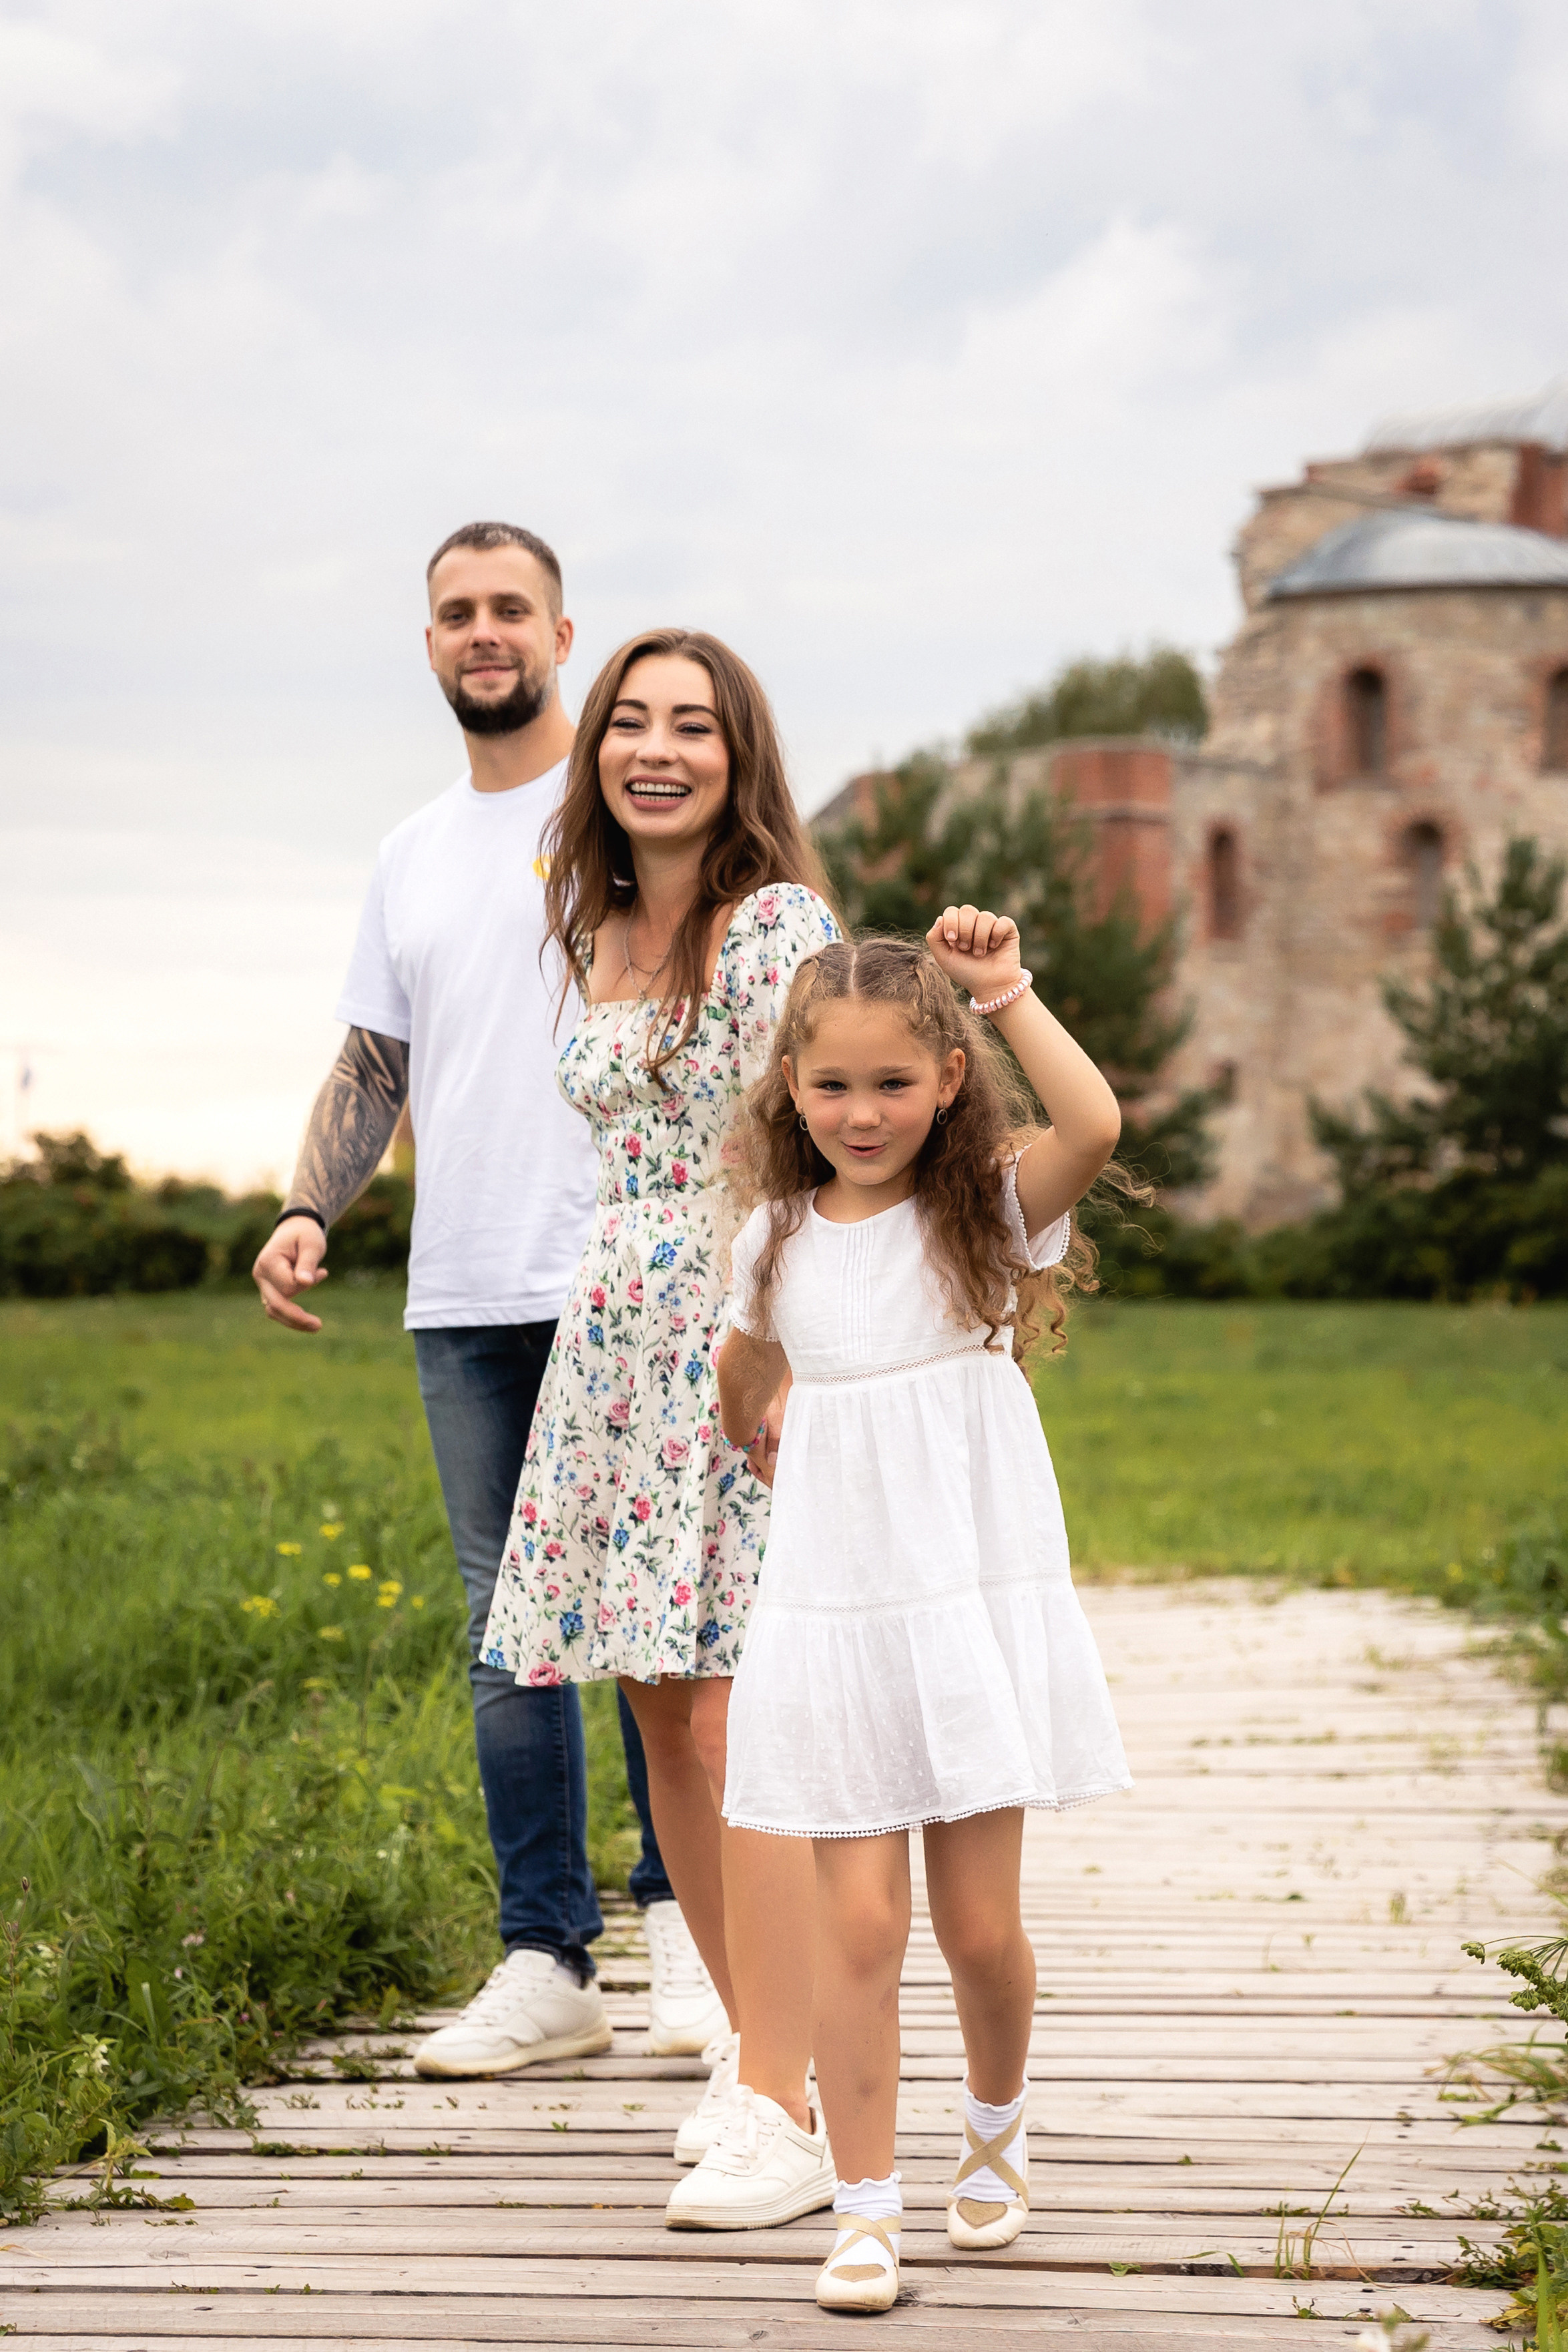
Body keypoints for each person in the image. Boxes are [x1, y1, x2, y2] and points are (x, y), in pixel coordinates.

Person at [250, 523, 724, 2080]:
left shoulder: (626, 822)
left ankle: (693, 1948)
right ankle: (545, 1958)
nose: (481, 631)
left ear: (562, 631)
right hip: (461, 1287)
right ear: (432, 640)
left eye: (507, 605)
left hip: (635, 1280)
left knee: (662, 1614)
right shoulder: (409, 853)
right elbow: (378, 1062)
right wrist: (311, 1205)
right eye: (454, 611)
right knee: (502, 1634)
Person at [716, 911, 1133, 2315]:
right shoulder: (774, 1235)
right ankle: (865, 2205)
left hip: (959, 1597)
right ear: (792, 1085)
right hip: (833, 1601)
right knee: (855, 1925)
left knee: (974, 1927)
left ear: (946, 1080)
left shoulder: (985, 1210)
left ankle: (997, 2127)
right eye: (830, 1085)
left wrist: (1003, 988)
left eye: (892, 1081)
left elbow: (1093, 1115)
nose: (861, 1111)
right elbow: (742, 1358)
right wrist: (756, 1421)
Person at [481, 626, 842, 2229]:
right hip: (613, 1331)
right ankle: (753, 2040)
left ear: (735, 756)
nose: (656, 747)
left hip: (735, 1321)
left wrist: (762, 1337)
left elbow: (821, 1147)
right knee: (658, 1705)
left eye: (693, 726)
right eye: (630, 720)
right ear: (599, 750)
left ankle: (793, 2083)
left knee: (737, 1710)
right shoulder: (602, 928)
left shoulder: (777, 927)